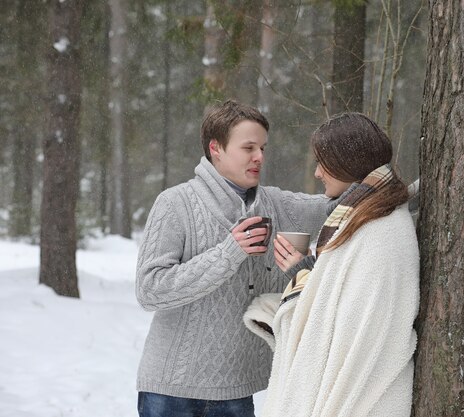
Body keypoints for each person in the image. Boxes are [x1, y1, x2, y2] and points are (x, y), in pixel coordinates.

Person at [135, 100, 329, 417]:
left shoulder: (279, 204)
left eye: (263, 148)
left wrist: (416, 188)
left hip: (236, 393)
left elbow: (347, 208)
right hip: (171, 392)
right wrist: (230, 253)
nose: (259, 157)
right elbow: (150, 290)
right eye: (248, 147)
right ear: (216, 148)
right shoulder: (175, 203)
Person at [244, 112, 420, 417]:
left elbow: (357, 330)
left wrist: (302, 274)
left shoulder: (380, 228)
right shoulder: (364, 215)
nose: (317, 174)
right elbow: (344, 296)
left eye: (323, 163)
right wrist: (305, 267)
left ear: (345, 163)